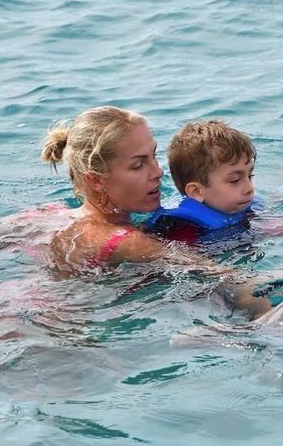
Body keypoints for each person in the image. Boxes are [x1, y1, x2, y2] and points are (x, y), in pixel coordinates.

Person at [40, 106, 271, 318]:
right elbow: (220, 276)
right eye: (138, 165)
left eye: (154, 156)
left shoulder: (50, 214)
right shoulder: (129, 242)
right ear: (96, 180)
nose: (158, 172)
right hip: (63, 330)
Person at [142, 120, 258, 242]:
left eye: (250, 176)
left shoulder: (243, 206)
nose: (249, 188)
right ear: (197, 191)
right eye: (235, 180)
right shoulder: (183, 230)